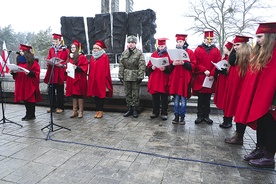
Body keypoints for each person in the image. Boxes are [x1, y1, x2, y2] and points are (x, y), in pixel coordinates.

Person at [234, 22, 276, 168]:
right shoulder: (260, 53)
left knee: (271, 126)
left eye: (260, 36)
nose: (257, 40)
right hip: (260, 96)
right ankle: (260, 149)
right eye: (256, 36)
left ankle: (269, 155)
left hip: (272, 99)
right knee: (262, 123)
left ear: (270, 36)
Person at [224, 35, 252, 145]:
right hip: (234, 87)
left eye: (238, 45)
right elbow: (231, 61)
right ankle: (238, 134)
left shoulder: (246, 57)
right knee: (236, 112)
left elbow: (232, 60)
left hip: (241, 89)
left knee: (240, 112)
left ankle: (239, 136)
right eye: (234, 45)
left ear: (244, 45)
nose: (235, 47)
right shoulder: (236, 56)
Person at [192, 30, 221, 124]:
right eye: (207, 39)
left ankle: (206, 116)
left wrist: (212, 73)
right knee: (200, 98)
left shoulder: (216, 50)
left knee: (208, 99)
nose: (209, 41)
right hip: (201, 77)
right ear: (204, 39)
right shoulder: (198, 49)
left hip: (210, 78)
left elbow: (218, 63)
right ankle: (199, 116)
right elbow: (195, 62)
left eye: (211, 39)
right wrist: (204, 70)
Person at [169, 34, 196, 125]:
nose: (179, 43)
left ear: (184, 41)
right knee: (176, 99)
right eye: (177, 42)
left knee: (183, 100)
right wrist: (173, 64)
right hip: (176, 79)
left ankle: (182, 117)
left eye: (180, 41)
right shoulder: (173, 52)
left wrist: (183, 63)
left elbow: (193, 66)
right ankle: (176, 116)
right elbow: (169, 67)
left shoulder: (190, 52)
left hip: (184, 79)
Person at [11, 44, 42, 121]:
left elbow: (37, 72)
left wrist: (29, 73)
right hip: (21, 82)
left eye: (22, 51)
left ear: (26, 52)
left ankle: (31, 114)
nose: (20, 53)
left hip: (29, 83)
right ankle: (28, 114)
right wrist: (13, 72)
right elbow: (17, 72)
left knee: (30, 99)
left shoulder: (33, 62)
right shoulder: (19, 61)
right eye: (20, 51)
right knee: (25, 99)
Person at [118, 35, 146, 118]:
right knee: (127, 93)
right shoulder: (125, 53)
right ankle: (129, 108)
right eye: (129, 42)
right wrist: (120, 75)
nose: (131, 44)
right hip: (126, 75)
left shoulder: (139, 53)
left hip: (135, 75)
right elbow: (121, 65)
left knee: (135, 93)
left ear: (135, 44)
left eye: (132, 43)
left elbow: (142, 65)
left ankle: (135, 109)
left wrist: (140, 76)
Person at [147, 38, 172, 121]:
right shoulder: (154, 54)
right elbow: (148, 66)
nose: (161, 47)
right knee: (155, 97)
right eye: (160, 46)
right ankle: (155, 112)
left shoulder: (168, 55)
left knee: (164, 97)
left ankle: (164, 113)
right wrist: (152, 67)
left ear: (165, 46)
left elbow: (171, 68)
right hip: (155, 79)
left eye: (162, 46)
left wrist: (165, 69)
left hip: (163, 78)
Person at [44, 33, 69, 114]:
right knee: (51, 91)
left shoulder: (65, 50)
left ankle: (60, 106)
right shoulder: (51, 49)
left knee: (59, 91)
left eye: (57, 40)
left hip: (60, 72)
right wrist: (48, 62)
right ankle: (52, 106)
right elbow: (48, 57)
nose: (55, 42)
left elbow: (67, 60)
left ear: (60, 40)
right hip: (52, 72)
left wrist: (62, 64)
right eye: (54, 40)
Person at [87, 40, 113, 118]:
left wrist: (105, 79)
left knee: (101, 95)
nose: (95, 49)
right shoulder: (92, 57)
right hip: (93, 79)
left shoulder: (104, 56)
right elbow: (91, 68)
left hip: (101, 79)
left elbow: (106, 69)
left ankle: (101, 111)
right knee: (95, 95)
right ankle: (97, 110)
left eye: (96, 48)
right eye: (94, 48)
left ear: (100, 49)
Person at [65, 40, 88, 118]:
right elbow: (67, 66)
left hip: (79, 78)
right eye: (71, 47)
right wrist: (66, 70)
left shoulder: (82, 57)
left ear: (78, 48)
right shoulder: (69, 57)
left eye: (74, 47)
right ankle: (74, 110)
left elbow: (85, 67)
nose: (72, 48)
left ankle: (80, 111)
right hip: (71, 78)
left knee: (79, 94)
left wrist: (77, 67)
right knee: (74, 95)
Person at [214, 41, 234, 128]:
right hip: (223, 81)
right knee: (224, 100)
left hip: (227, 82)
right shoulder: (225, 58)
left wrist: (225, 71)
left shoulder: (231, 59)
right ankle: (225, 119)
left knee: (227, 101)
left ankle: (228, 120)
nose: (224, 49)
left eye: (225, 48)